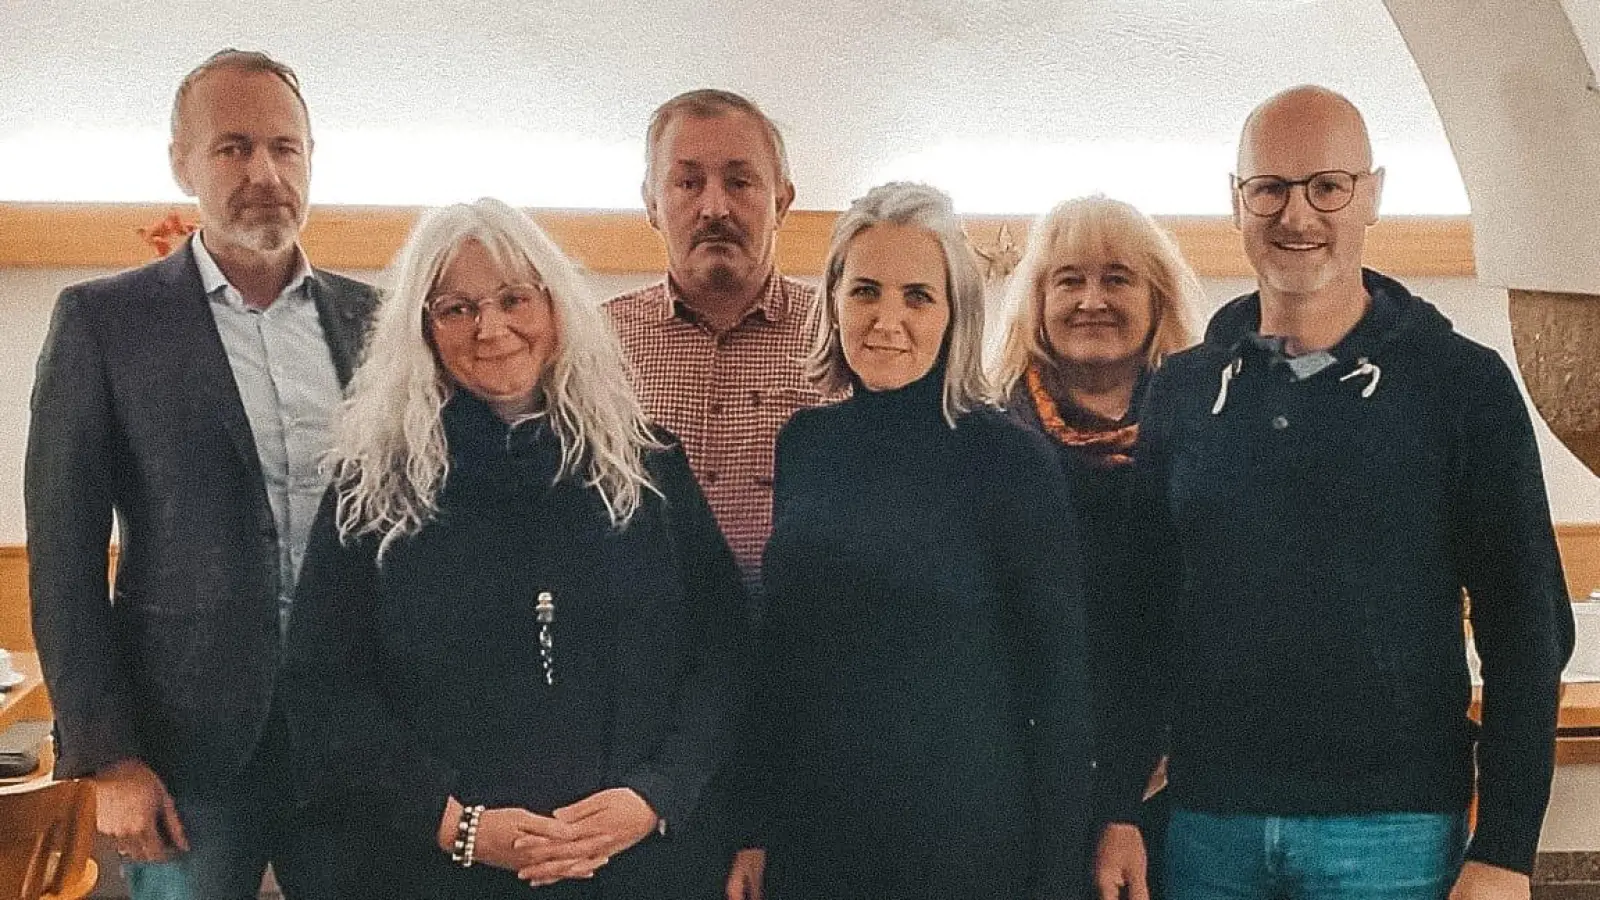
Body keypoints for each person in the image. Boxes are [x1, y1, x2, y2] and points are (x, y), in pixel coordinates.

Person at [1096, 85, 1574, 900]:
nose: (1297, 215)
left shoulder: (1462, 386)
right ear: (1236, 202)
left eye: (1328, 186)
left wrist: (1507, 849)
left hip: (1395, 833)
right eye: (1269, 189)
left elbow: (1526, 625)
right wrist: (1118, 810)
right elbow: (1143, 622)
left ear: (1374, 195)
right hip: (1209, 826)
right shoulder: (1181, 392)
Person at [277, 198, 750, 900]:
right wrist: (455, 826)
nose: (490, 328)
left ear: (555, 308)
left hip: (636, 863)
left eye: (512, 298)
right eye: (456, 308)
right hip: (437, 869)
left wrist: (654, 797)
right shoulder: (372, 490)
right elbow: (327, 690)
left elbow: (722, 651)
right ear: (423, 329)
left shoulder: (647, 468)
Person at [25, 49, 378, 900]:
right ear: (181, 162)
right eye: (233, 148)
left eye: (285, 149)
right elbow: (64, 558)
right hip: (186, 756)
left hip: (357, 746)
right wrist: (107, 755)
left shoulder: (373, 323)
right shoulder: (105, 323)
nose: (264, 172)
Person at [727, 182, 1092, 900]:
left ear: (955, 312)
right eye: (865, 291)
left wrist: (1056, 879)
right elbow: (783, 664)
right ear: (833, 301)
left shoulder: (1009, 460)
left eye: (917, 296)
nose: (887, 319)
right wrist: (754, 828)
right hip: (817, 842)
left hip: (966, 847)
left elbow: (1059, 691)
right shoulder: (806, 444)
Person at [994, 195, 1200, 900]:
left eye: (1117, 278)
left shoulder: (1200, 434)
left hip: (1172, 788)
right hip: (1021, 788)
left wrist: (1126, 799)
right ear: (1038, 300)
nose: (1091, 300)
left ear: (1156, 299)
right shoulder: (990, 440)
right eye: (1069, 279)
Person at [607, 89, 829, 601]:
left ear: (783, 201)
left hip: (807, 656)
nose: (713, 207)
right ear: (651, 204)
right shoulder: (594, 349)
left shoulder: (841, 339)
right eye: (687, 182)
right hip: (653, 663)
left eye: (740, 181)